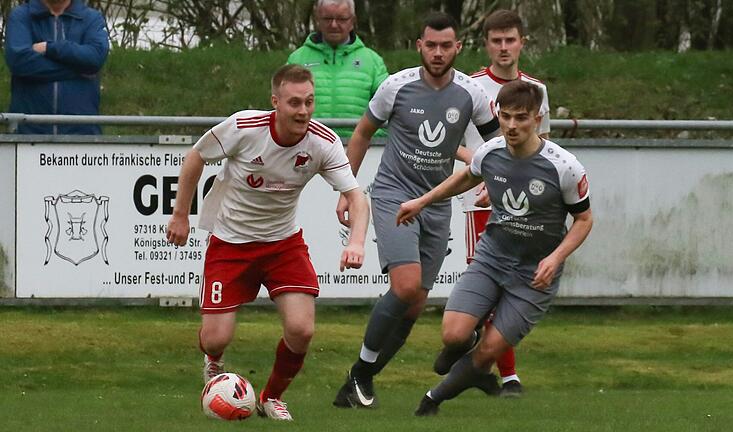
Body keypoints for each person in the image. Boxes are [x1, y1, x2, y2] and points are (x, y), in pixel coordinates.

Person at [166, 65, 369, 421]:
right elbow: (195, 157)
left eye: (309, 102)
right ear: (275, 102)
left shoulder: (323, 141)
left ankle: (271, 397)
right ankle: (213, 361)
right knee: (216, 338)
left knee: (302, 329)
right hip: (230, 243)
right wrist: (180, 214)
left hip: (282, 243)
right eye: (294, 103)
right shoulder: (244, 128)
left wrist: (356, 242)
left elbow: (356, 196)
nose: (303, 111)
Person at [332, 12, 500, 409]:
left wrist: (495, 183)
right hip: (393, 195)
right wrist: (347, 188)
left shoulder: (472, 93)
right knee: (405, 287)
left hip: (437, 203)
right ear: (419, 45)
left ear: (458, 48)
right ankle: (361, 372)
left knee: (417, 302)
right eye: (431, 45)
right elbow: (361, 133)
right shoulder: (396, 86)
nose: (438, 53)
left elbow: (497, 144)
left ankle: (360, 380)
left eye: (446, 46)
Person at [396, 80, 593, 416]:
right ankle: (467, 352)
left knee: (489, 353)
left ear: (537, 118)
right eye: (505, 117)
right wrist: (422, 201)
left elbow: (585, 220)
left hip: (534, 273)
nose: (512, 126)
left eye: (521, 118)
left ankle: (433, 400)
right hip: (492, 257)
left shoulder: (564, 167)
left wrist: (555, 257)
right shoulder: (491, 152)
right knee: (453, 334)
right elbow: (467, 176)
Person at [452, 9, 553, 398]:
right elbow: (451, 142)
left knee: (517, 286)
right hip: (481, 202)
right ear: (487, 44)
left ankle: (483, 361)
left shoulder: (537, 90)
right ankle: (507, 375)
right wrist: (486, 174)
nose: (504, 47)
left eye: (510, 39)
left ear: (522, 42)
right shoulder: (470, 86)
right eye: (496, 40)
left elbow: (544, 147)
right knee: (491, 288)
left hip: (526, 206)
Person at [4, 0, 109, 135]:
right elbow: (19, 62)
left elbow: (95, 58)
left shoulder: (92, 18)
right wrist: (79, 69)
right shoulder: (21, 16)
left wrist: (50, 48)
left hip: (82, 134)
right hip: (29, 134)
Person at [287, 0, 388, 137]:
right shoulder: (297, 59)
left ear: (352, 21)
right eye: (328, 18)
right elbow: (284, 108)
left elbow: (388, 109)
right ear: (317, 19)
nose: (334, 25)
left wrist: (369, 141)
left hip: (360, 151)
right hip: (308, 148)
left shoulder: (373, 61)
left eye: (341, 19)